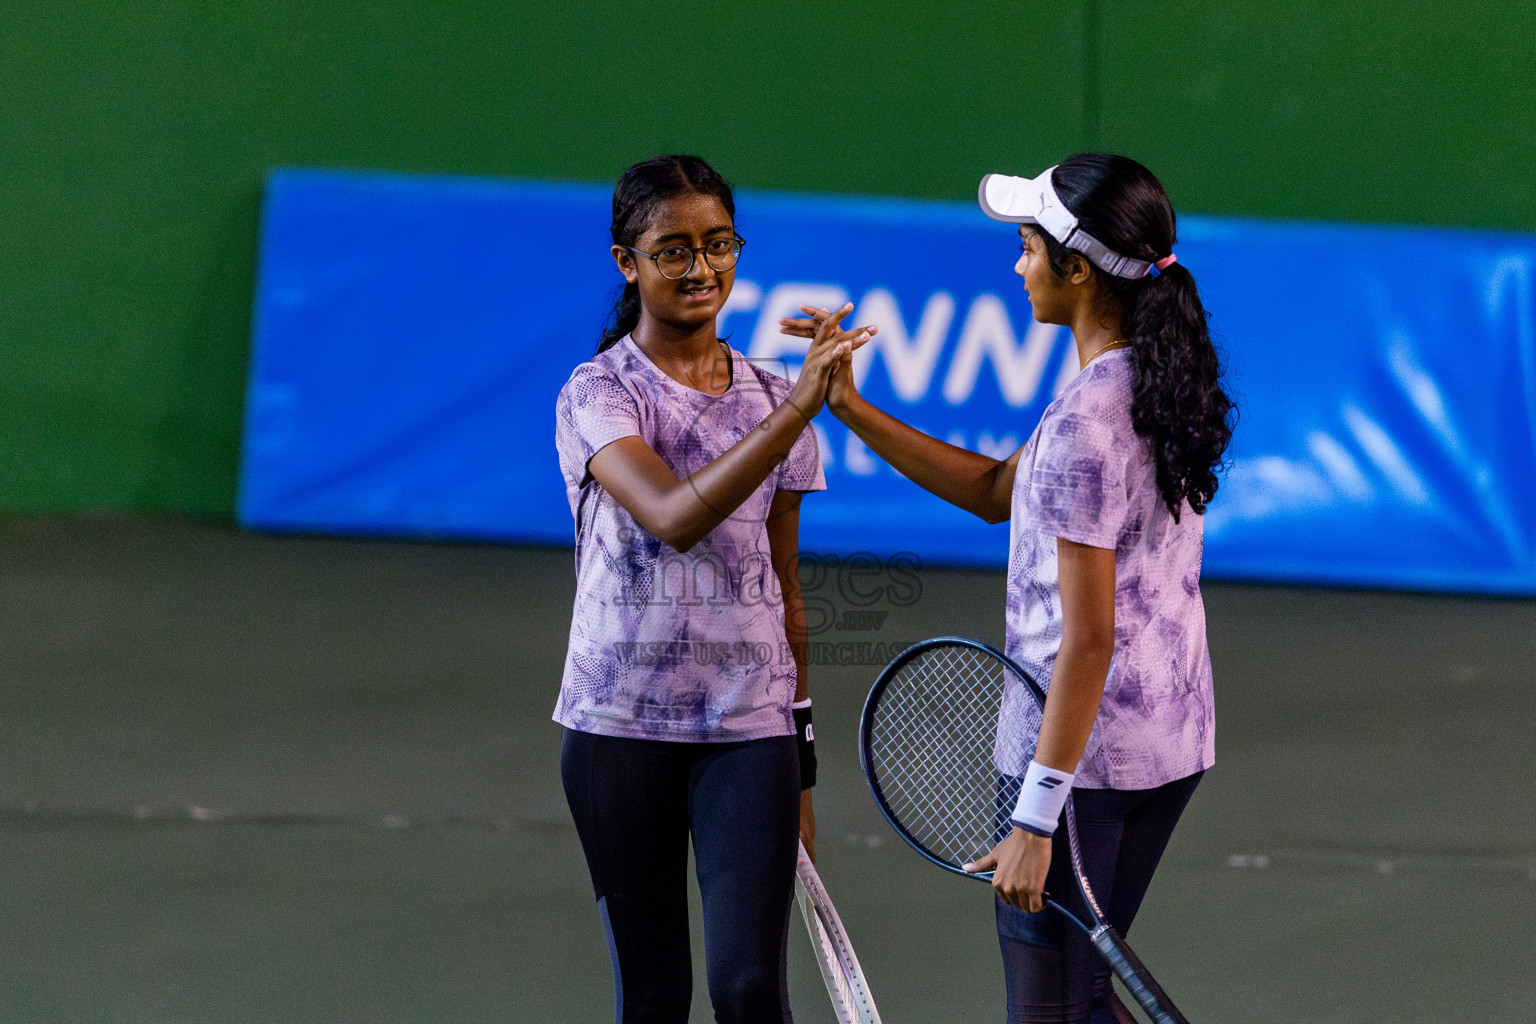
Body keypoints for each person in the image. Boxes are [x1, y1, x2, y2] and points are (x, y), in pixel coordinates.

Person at [780, 153, 1234, 1023]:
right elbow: (995, 494)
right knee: (1080, 997)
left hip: (1076, 768)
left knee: (1050, 1009)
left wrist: (1032, 818)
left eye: (1027, 245)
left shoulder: (1081, 421)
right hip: (1167, 746)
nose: (1015, 264)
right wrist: (852, 408)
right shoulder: (1146, 383)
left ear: (1076, 268)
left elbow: (1088, 636)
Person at [554, 154, 875, 1024]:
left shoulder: (778, 394)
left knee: (748, 992)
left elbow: (785, 586)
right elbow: (672, 515)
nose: (701, 268)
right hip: (616, 729)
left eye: (718, 243)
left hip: (751, 732)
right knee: (655, 996)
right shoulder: (597, 392)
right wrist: (793, 413)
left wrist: (801, 765)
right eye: (673, 250)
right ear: (628, 262)